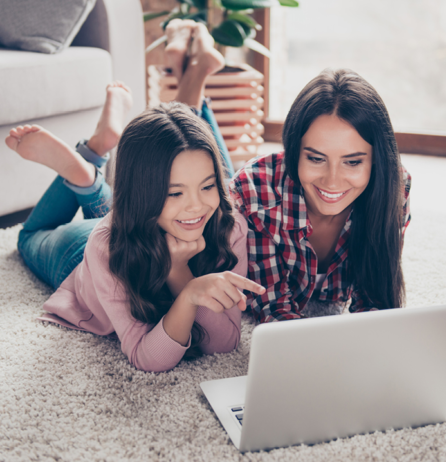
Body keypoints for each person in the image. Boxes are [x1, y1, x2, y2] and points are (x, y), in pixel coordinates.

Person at [5, 20, 264, 372]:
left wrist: (180, 274)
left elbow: (225, 343)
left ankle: (91, 169)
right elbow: (145, 357)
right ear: (145, 195)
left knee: (177, 164)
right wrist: (187, 289)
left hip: (137, 215)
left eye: (208, 186)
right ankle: (88, 164)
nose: (197, 205)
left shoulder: (229, 225)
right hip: (83, 257)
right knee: (29, 237)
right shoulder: (104, 247)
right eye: (175, 192)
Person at [229, 68, 411, 323]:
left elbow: (377, 302)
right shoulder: (255, 189)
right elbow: (272, 306)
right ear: (294, 150)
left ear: (376, 161)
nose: (332, 181)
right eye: (316, 159)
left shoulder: (393, 189)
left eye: (353, 162)